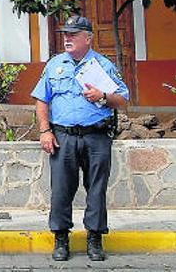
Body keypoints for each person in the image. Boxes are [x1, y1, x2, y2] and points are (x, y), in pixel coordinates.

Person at [31, 15, 129, 262]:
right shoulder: (55, 65)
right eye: (65, 34)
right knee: (61, 190)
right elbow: (42, 100)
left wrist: (103, 95)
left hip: (96, 136)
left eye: (73, 34)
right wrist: (45, 131)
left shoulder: (103, 65)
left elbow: (123, 101)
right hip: (63, 136)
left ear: (88, 38)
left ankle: (95, 238)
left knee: (96, 189)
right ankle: (61, 238)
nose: (67, 38)